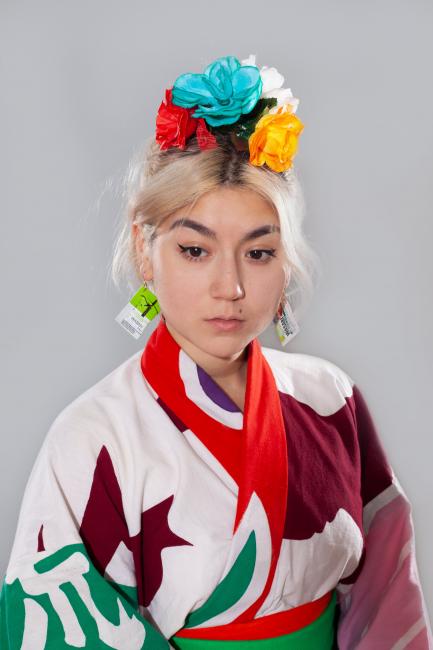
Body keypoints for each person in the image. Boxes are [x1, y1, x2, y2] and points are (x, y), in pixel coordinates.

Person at [0, 54, 431, 650]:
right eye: (195, 251)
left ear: (287, 260)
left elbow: (388, 594)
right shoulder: (92, 436)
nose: (229, 288)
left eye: (258, 253)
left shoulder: (330, 399)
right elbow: (57, 620)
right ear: (145, 249)